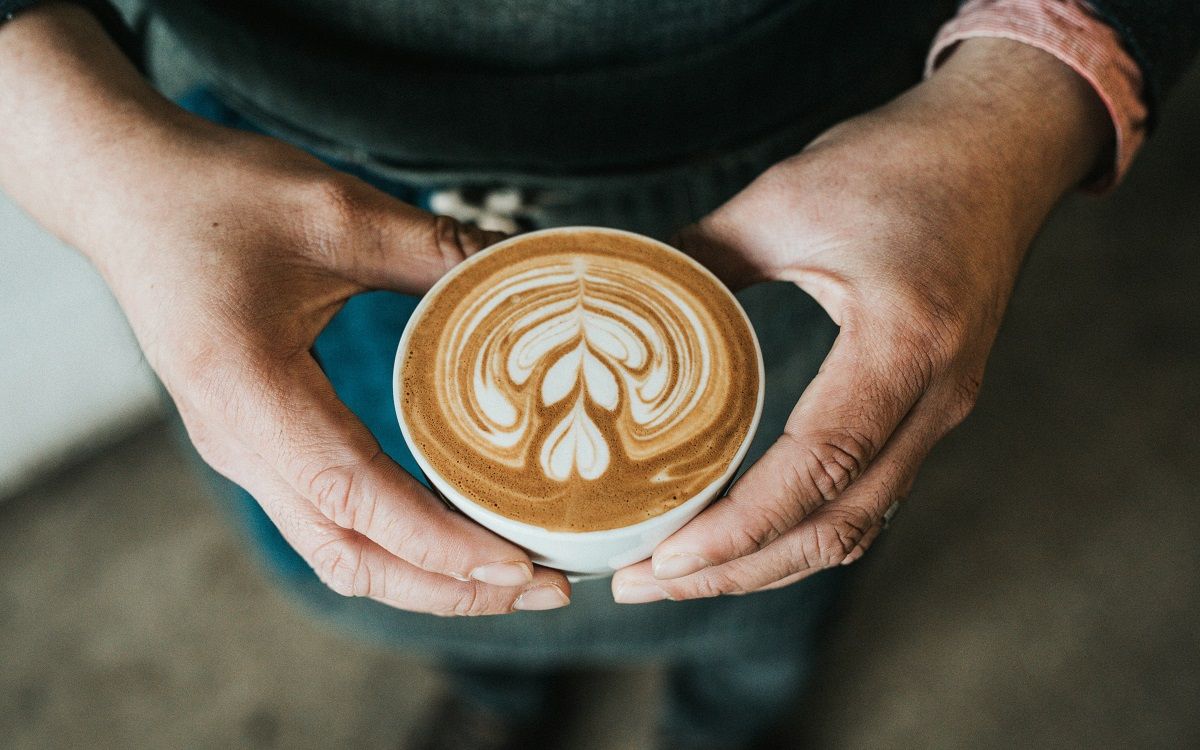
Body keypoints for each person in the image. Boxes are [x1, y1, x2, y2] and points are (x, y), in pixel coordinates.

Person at [1, 1, 1196, 747]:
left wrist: (1022, 99)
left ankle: (734, 720)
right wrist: (96, 164)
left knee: (783, 540)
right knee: (404, 540)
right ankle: (504, 694)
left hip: (807, 156)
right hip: (252, 168)